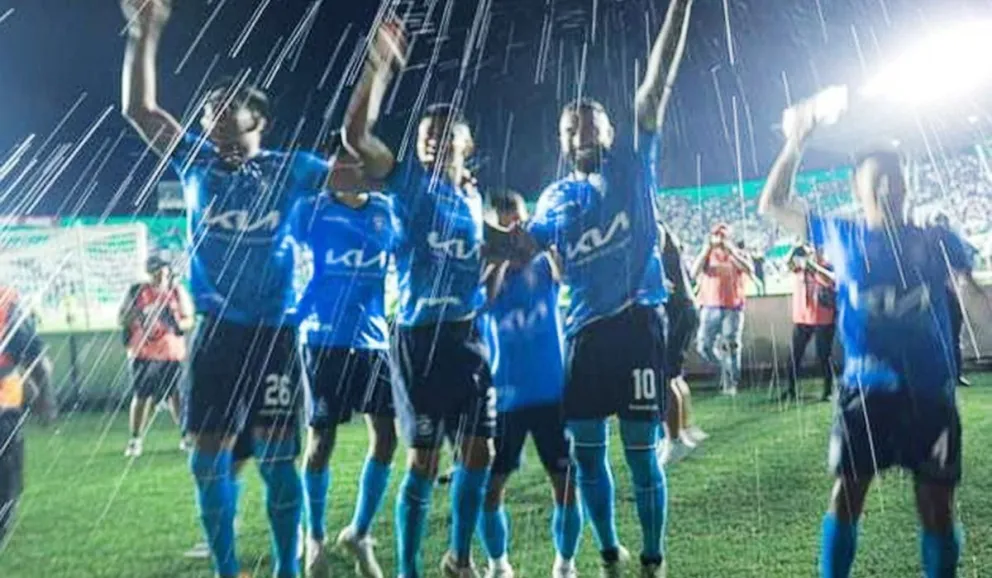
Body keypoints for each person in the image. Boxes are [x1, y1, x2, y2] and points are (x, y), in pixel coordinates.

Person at [119, 1, 355, 576]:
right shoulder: (197, 164)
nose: (217, 123)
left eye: (230, 115)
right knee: (207, 463)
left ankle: (287, 567)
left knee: (278, 462)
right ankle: (227, 569)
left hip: (274, 334)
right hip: (217, 336)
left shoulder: (290, 169)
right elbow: (140, 111)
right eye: (209, 115)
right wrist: (143, 36)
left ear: (259, 123)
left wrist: (368, 94)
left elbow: (352, 171)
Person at [757, 96, 987, 578]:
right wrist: (796, 141)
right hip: (865, 395)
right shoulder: (841, 234)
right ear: (856, 186)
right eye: (876, 177)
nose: (887, 185)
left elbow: (969, 291)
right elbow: (773, 204)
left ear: (909, 183)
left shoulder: (937, 240)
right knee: (847, 497)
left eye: (895, 176)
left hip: (931, 396)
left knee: (938, 505)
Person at [507, 1, 695, 575]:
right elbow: (522, 246)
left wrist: (680, 8)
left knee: (641, 457)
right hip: (581, 337)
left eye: (590, 125)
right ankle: (609, 551)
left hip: (638, 325)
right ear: (562, 140)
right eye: (570, 129)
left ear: (611, 131)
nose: (580, 134)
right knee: (587, 459)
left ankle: (653, 558)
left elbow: (656, 84)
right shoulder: (554, 197)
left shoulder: (635, 166)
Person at [339, 19, 495, 578]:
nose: (432, 134)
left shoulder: (473, 198)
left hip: (469, 336)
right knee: (424, 462)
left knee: (480, 453)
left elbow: (488, 253)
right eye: (427, 129)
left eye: (445, 127)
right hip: (420, 337)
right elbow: (355, 137)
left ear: (466, 143)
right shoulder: (406, 181)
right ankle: (408, 570)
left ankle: (459, 558)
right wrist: (379, 65)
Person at [292, 184, 399, 578]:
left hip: (372, 340)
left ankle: (360, 532)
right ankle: (315, 538)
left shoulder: (387, 210)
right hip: (322, 340)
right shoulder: (311, 209)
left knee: (387, 437)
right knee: (321, 441)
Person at [478, 193, 581, 578]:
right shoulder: (490, 274)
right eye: (506, 229)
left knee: (565, 483)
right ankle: (499, 565)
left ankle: (565, 565)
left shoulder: (544, 264)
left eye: (520, 226)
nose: (515, 235)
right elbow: (486, 295)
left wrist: (535, 244)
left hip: (551, 393)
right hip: (505, 399)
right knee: (493, 485)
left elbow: (566, 271)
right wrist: (502, 256)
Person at [119, 255, 192, 457]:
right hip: (143, 352)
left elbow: (188, 319)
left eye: (163, 273)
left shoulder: (176, 292)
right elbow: (122, 318)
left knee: (176, 396)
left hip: (171, 353)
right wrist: (137, 314)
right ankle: (135, 439)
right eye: (155, 273)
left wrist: (173, 323)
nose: (159, 277)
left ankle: (186, 436)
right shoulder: (137, 292)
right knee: (142, 396)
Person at [0, 286, 56, 545]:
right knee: (7, 472)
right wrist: (45, 398)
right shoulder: (7, 303)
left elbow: (35, 355)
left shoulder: (8, 304)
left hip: (5, 401)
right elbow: (36, 356)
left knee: (7, 471)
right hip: (5, 403)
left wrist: (43, 395)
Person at [656, 221, 707, 466]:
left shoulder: (656, 228)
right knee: (674, 376)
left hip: (677, 310)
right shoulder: (667, 231)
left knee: (664, 378)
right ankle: (685, 430)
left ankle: (675, 441)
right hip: (685, 308)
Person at [691, 224, 753, 395]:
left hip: (733, 306)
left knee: (731, 346)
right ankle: (726, 370)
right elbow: (693, 273)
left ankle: (732, 383)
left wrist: (731, 252)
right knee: (703, 346)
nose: (719, 240)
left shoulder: (738, 254)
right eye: (717, 236)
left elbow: (750, 269)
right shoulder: (707, 255)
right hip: (710, 305)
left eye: (723, 237)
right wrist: (706, 250)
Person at [781, 243, 836, 402]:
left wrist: (813, 267)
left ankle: (828, 391)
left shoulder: (826, 267)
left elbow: (831, 280)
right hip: (803, 317)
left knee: (823, 356)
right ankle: (790, 390)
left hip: (823, 317)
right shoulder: (798, 268)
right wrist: (794, 252)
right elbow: (786, 265)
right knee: (794, 356)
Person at [930, 211, 974, 387]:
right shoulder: (947, 241)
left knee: (949, 336)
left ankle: (951, 374)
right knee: (948, 336)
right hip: (943, 293)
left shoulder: (939, 241)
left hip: (942, 294)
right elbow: (964, 267)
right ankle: (951, 374)